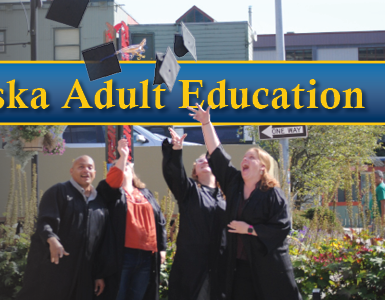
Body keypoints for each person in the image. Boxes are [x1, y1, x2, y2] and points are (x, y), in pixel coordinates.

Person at [188, 104, 301, 300]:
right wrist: (206, 123)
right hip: (238, 267)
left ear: (263, 168)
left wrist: (249, 229)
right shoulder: (234, 184)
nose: (244, 160)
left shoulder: (273, 194)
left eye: (251, 157)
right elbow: (217, 154)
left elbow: (282, 228)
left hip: (268, 269)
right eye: (244, 157)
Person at [17, 155, 112, 300]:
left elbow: (101, 243)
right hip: (55, 266)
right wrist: (52, 239)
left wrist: (99, 274)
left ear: (95, 173)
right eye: (81, 166)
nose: (86, 170)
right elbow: (44, 221)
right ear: (71, 171)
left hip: (84, 271)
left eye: (90, 167)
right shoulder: (59, 191)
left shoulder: (99, 202)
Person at [96, 138, 167, 300]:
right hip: (123, 255)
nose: (123, 166)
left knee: (139, 296)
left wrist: (162, 249)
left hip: (147, 256)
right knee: (118, 295)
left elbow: (160, 221)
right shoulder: (110, 192)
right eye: (118, 165)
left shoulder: (145, 193)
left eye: (127, 165)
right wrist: (123, 156)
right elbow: (114, 180)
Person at [161, 128, 227, 300]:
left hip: (220, 267)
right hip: (192, 267)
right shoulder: (189, 192)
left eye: (208, 159)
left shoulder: (227, 197)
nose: (204, 161)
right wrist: (176, 151)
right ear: (195, 171)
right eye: (199, 161)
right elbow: (176, 175)